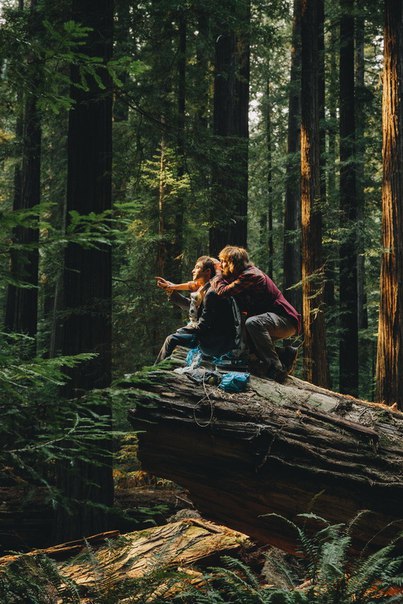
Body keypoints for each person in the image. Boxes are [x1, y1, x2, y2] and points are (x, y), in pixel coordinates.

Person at [210, 245, 301, 382]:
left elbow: (224, 292)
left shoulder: (251, 275)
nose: (221, 265)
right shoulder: (242, 276)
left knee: (252, 323)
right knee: (246, 338)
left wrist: (216, 274)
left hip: (286, 319)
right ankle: (284, 354)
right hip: (276, 320)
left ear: (233, 262)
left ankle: (277, 369)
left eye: (224, 261)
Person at [155, 256, 236, 363]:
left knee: (172, 339)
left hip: (215, 341)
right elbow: (192, 306)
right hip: (209, 334)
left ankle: (157, 372)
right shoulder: (205, 288)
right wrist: (169, 290)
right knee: (174, 338)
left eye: (197, 267)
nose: (193, 270)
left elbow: (204, 325)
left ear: (208, 271)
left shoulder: (212, 292)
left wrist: (183, 330)